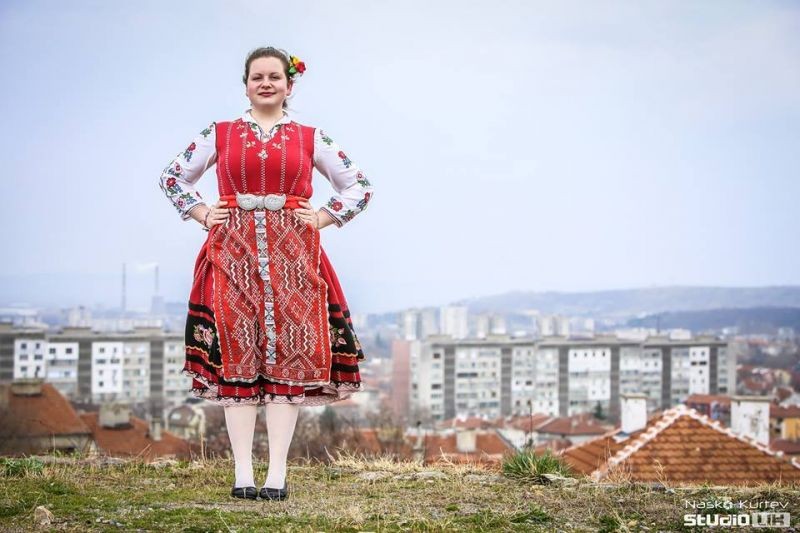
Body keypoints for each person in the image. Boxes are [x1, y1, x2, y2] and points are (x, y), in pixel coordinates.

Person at [158, 46, 374, 501]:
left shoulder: (311, 137)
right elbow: (173, 177)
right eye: (257, 77)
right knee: (237, 359)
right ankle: (242, 472)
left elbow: (359, 186)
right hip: (231, 254)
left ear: (289, 85)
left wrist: (323, 217)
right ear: (246, 85)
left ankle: (277, 473)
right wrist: (201, 212)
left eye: (274, 77)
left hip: (294, 258)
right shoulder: (219, 133)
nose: (266, 84)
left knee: (287, 360)